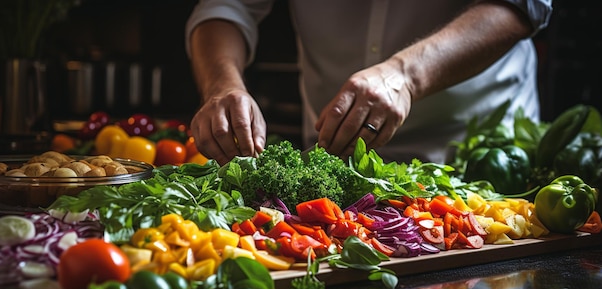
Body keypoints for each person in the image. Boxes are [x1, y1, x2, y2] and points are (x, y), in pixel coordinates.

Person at [185, 0, 553, 165]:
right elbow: (225, 6)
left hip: (482, 160)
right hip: (334, 155)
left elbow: (518, 6)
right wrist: (221, 85)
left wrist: (406, 75)